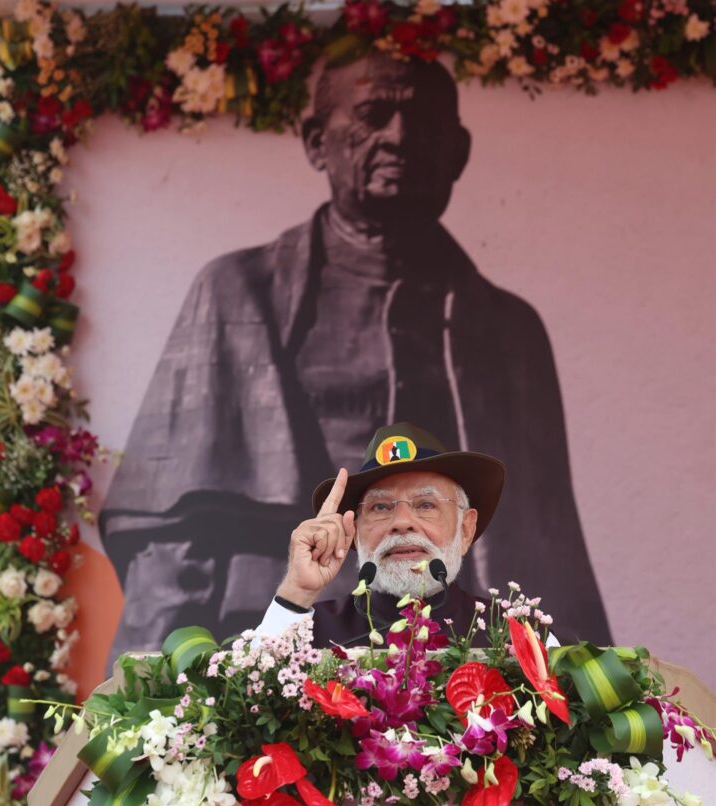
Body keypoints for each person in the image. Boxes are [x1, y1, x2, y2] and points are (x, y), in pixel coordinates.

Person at [101, 53, 610, 660]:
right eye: (373, 115)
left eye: (421, 125)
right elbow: (174, 536)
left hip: (462, 661)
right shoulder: (237, 292)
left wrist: (582, 689)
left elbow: (550, 545)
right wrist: (152, 706)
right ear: (318, 143)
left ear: (458, 153)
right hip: (280, 635)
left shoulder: (509, 328)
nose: (398, 138)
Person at [257, 422, 510, 647]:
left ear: (465, 529)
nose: (401, 522)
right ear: (354, 531)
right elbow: (246, 694)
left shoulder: (515, 637)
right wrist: (297, 591)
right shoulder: (309, 634)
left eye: (425, 504)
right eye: (380, 507)